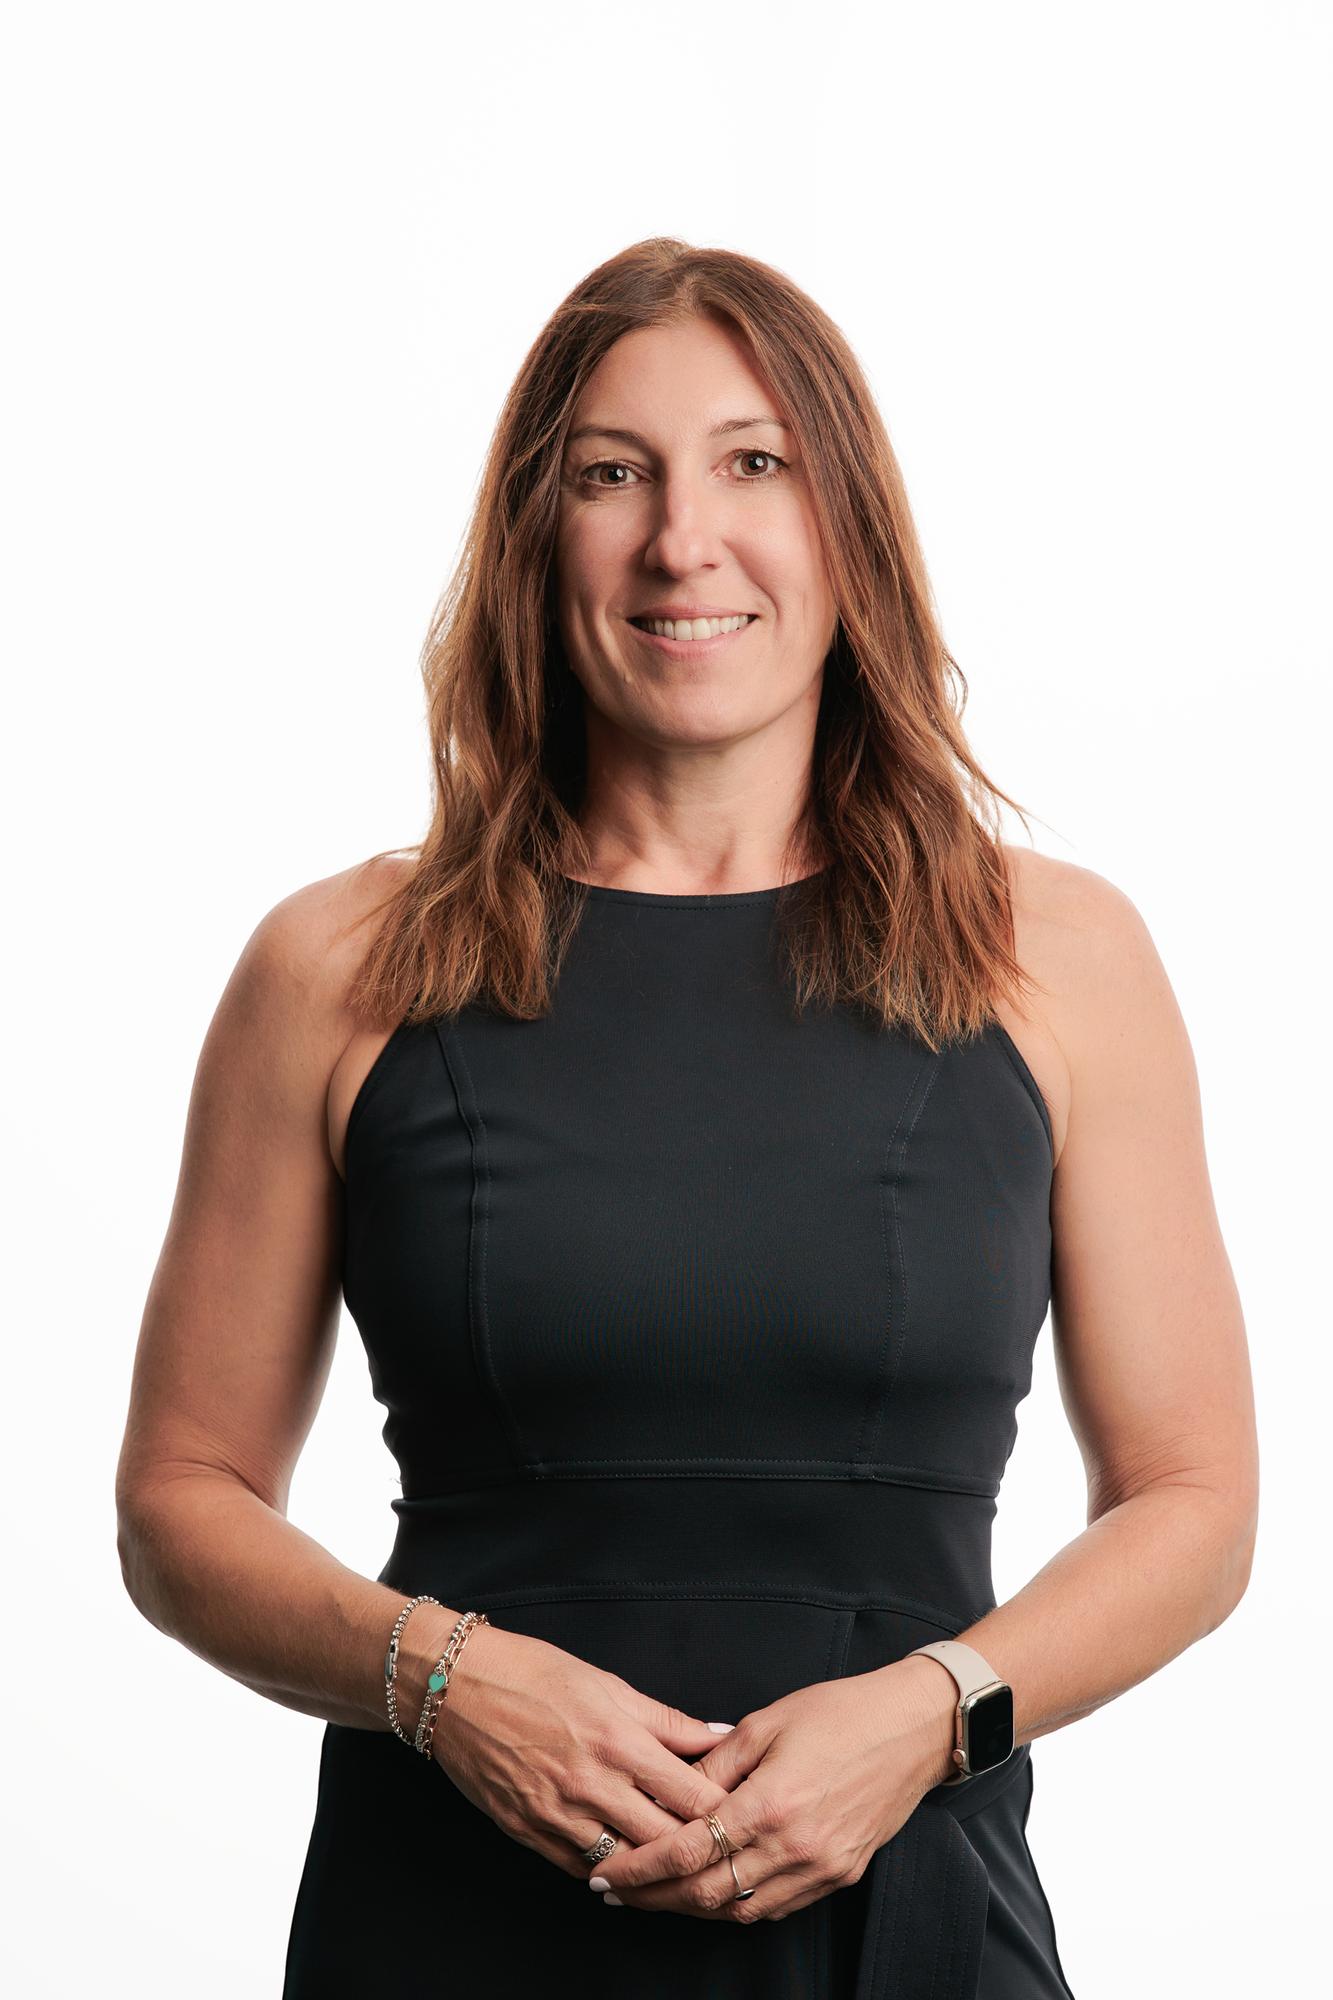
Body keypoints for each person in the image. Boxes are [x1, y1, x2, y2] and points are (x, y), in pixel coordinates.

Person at [115, 238, 1259, 1999]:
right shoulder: (337, 966)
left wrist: (931, 1715)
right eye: (609, 475)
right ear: (534, 534)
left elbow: (1191, 1501)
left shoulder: (1054, 956)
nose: (681, 539)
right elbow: (180, 1503)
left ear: (847, 524)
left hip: (902, 1932)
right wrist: (450, 1683)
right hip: (448, 1933)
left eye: (753, 463)